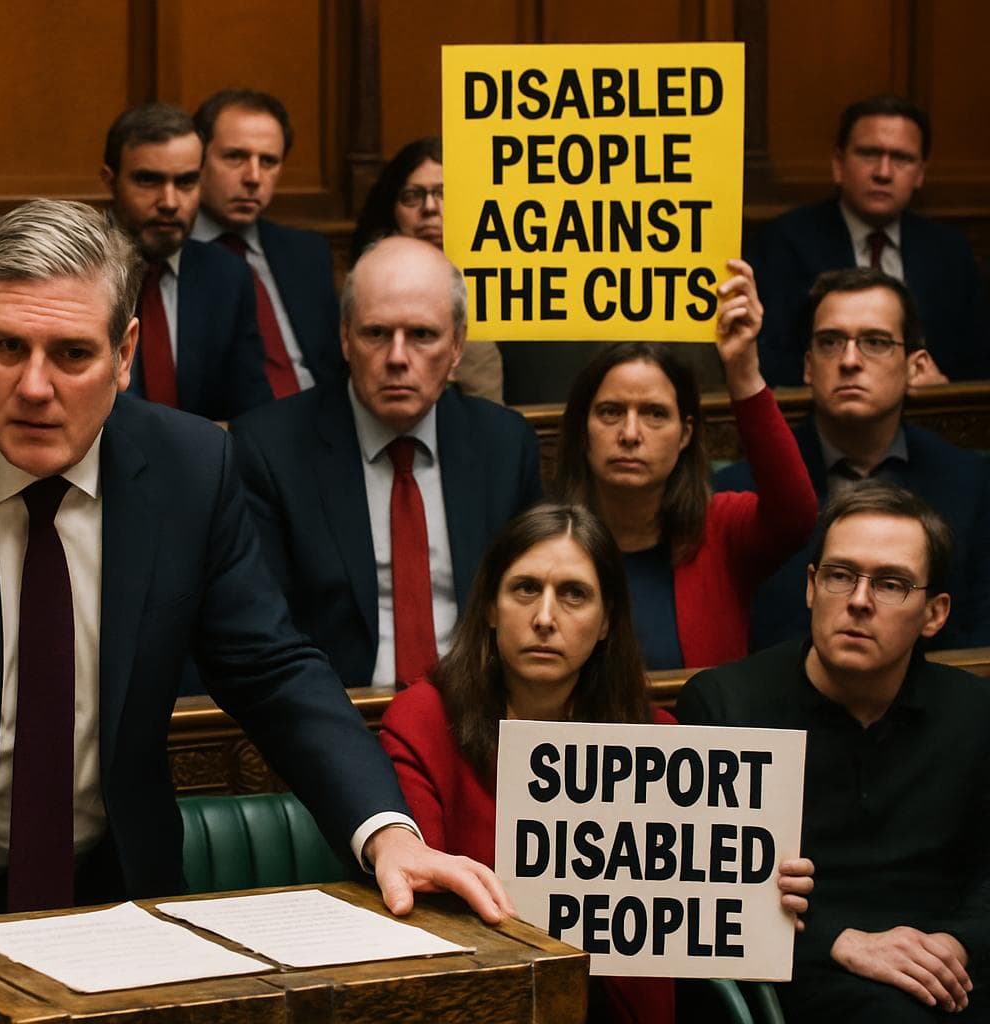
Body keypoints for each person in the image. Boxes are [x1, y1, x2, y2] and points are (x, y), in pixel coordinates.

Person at [0, 198, 518, 1023]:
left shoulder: (193, 469)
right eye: (7, 347)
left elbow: (271, 669)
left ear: (125, 355)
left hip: (121, 911)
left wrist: (388, 834)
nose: (35, 386)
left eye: (72, 353)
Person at [382, 503, 814, 1024]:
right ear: (491, 608)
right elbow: (422, 910)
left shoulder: (658, 741)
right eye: (524, 589)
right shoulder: (423, 720)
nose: (544, 618)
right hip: (480, 1002)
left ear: (608, 620)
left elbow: (691, 920)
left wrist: (760, 892)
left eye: (574, 595)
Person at [677, 481, 988, 1022]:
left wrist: (955, 945)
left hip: (949, 976)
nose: (860, 601)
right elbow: (698, 894)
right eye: (841, 576)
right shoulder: (725, 704)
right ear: (811, 587)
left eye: (891, 584)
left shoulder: (977, 712)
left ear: (935, 613)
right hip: (795, 976)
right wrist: (838, 940)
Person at [231, 236, 539, 687]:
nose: (397, 358)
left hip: (479, 711)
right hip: (336, 717)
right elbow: (263, 631)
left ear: (456, 348)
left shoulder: (504, 444)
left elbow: (528, 607)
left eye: (422, 336)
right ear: (345, 339)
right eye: (376, 334)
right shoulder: (270, 448)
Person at [553, 261, 818, 669]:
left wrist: (743, 368)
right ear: (582, 429)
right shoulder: (545, 542)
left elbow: (796, 514)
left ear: (685, 433)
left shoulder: (721, 529)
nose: (629, 433)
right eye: (609, 412)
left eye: (655, 414)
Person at [716, 267, 990, 650]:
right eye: (830, 342)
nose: (849, 360)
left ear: (915, 366)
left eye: (875, 342)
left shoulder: (972, 483)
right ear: (808, 367)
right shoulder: (743, 488)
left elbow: (981, 634)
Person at [755, 95, 988, 385]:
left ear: (920, 173)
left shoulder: (950, 252)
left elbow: (978, 362)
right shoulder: (785, 242)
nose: (883, 173)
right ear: (838, 163)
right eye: (869, 154)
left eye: (902, 158)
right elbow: (769, 359)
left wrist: (944, 389)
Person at [100, 103, 272, 420]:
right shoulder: (72, 268)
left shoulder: (227, 276)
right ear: (110, 181)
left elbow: (254, 412)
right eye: (148, 181)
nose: (169, 202)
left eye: (185, 182)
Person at [192, 88, 343, 394]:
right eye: (235, 157)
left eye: (269, 161)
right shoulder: (169, 256)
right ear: (197, 160)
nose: (253, 177)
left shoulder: (307, 253)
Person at [350, 136, 502, 403]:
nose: (430, 208)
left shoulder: (501, 281)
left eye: (445, 194)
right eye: (412, 196)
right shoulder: (363, 286)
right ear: (391, 209)